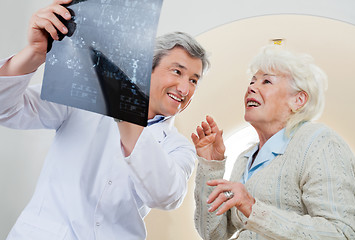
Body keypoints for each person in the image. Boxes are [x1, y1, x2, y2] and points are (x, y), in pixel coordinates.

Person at [0, 0, 210, 239]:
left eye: (194, 80)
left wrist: (123, 106)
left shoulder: (180, 146)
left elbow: (166, 196)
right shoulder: (84, 94)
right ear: (147, 69)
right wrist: (34, 54)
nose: (184, 88)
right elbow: (5, 109)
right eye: (177, 71)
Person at [191, 45, 355, 239]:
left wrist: (253, 208)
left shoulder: (320, 142)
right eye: (252, 81)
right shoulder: (244, 159)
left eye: (267, 81)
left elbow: (342, 234)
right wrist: (211, 166)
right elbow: (213, 235)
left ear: (298, 100)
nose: (251, 87)